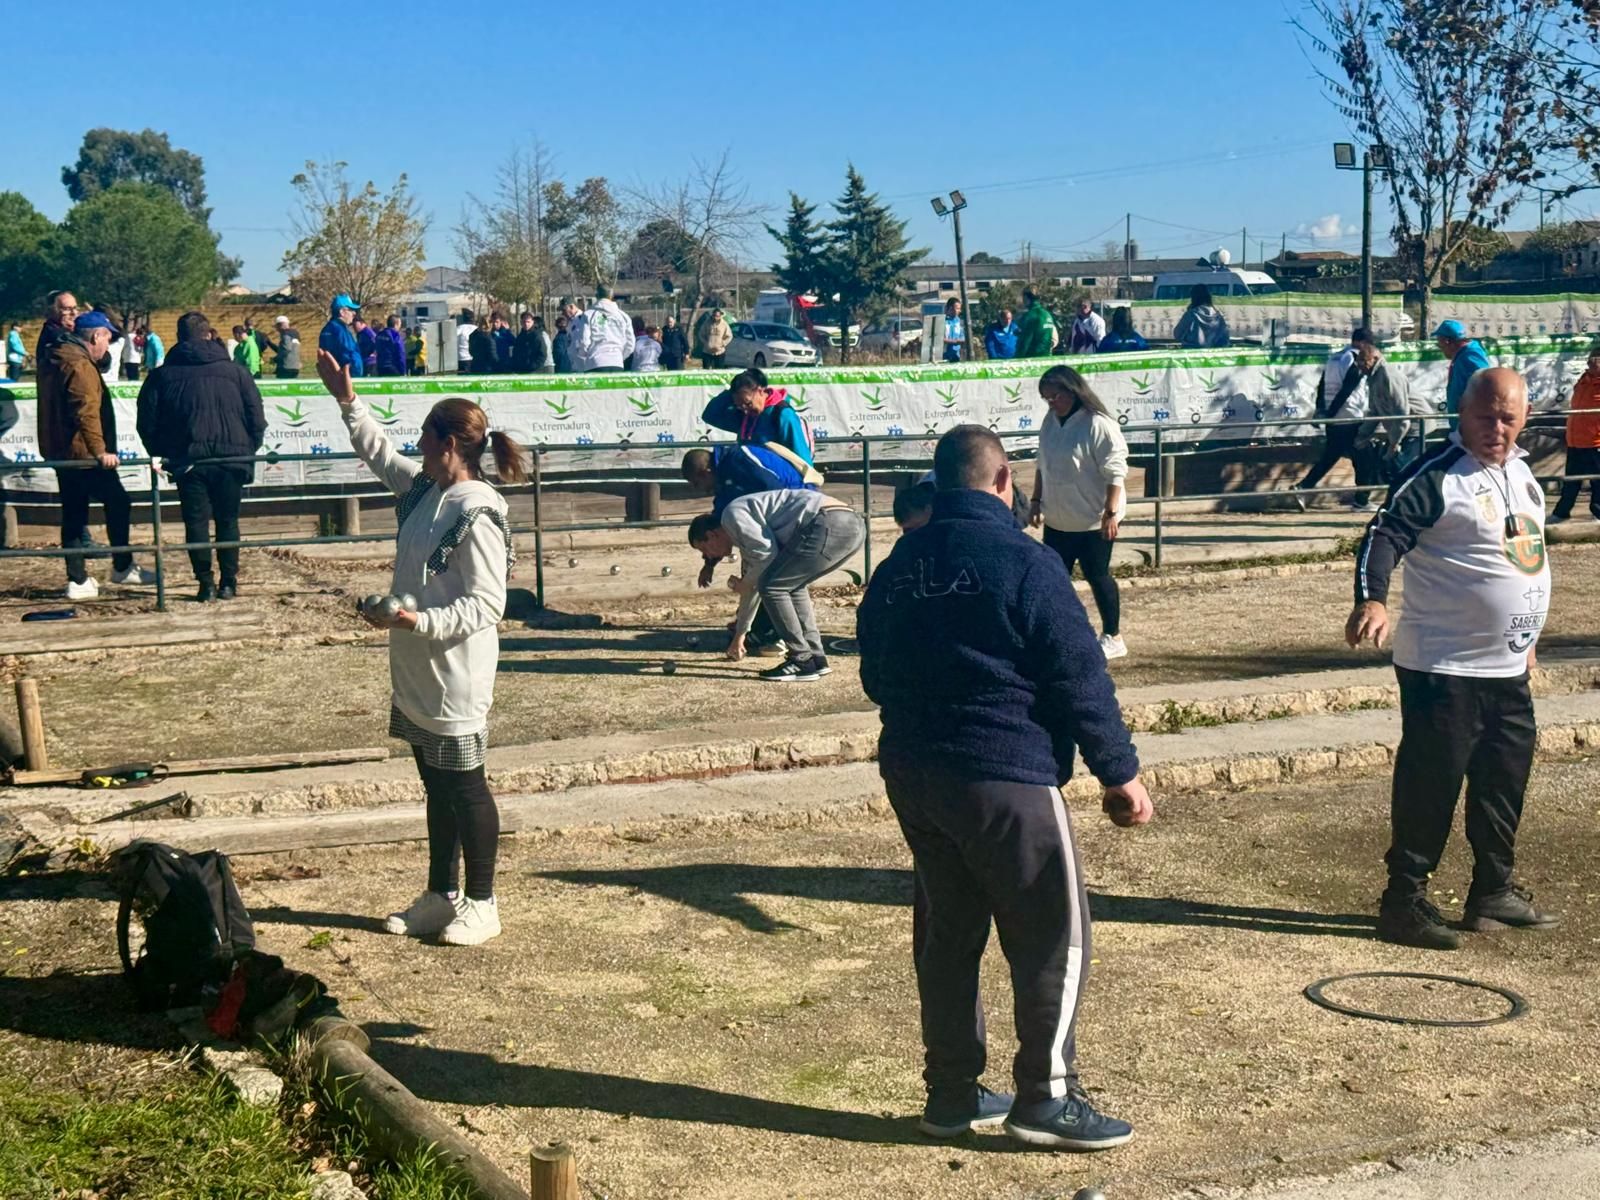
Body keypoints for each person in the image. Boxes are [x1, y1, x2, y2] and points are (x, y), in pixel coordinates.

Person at [856, 423, 1152, 1151]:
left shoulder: (898, 567)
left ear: (940, 484)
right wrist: (1120, 771)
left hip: (916, 775)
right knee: (1054, 932)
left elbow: (872, 673)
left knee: (949, 936)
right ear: (1004, 483)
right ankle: (1046, 1098)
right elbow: (1079, 675)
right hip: (1006, 772)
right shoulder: (1025, 561)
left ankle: (951, 1094)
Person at [314, 347, 526, 947]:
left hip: (454, 669)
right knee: (434, 784)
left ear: (447, 443)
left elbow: (488, 605)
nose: (417, 445)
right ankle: (442, 895)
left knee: (465, 786)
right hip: (413, 668)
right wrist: (346, 401)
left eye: (425, 436)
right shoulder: (425, 491)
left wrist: (415, 620)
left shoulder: (477, 510)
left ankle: (483, 903)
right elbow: (378, 452)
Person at [1348, 366, 1557, 949]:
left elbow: (1524, 554)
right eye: (1485, 416)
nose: (1496, 428)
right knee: (1430, 784)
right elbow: (1383, 535)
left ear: (1524, 418)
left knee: (1503, 780)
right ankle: (1403, 901)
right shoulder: (1438, 475)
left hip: (1506, 669)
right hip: (1444, 668)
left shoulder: (1522, 474)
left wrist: (1526, 629)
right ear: (1461, 413)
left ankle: (1493, 890)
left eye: (1507, 418)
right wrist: (1373, 597)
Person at [137, 312, 266, 602]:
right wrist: (247, 449)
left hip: (188, 459)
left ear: (179, 338)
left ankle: (205, 583)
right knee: (228, 521)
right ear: (208, 334)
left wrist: (164, 453)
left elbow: (146, 422)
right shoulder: (236, 373)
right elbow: (256, 417)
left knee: (195, 523)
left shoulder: (161, 376)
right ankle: (229, 582)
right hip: (231, 458)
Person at [38, 310, 156, 600]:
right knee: (117, 502)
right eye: (106, 338)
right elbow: (86, 411)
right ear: (95, 336)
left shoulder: (56, 358)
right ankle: (120, 565)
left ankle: (78, 579)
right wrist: (101, 451)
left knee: (74, 513)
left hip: (63, 450)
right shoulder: (79, 366)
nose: (108, 346)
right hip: (84, 454)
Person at [688, 489, 864, 683]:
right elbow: (753, 589)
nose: (709, 556)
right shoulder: (747, 539)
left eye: (704, 549)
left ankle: (801, 659)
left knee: (774, 588)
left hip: (827, 523)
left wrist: (745, 583)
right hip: (852, 524)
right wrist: (740, 635)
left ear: (712, 535)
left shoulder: (732, 515)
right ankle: (816, 658)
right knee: (792, 586)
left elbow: (764, 561)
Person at [1029, 365, 1129, 660]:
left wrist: (1110, 514)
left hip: (1093, 521)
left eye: (1055, 396)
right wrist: (1036, 500)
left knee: (1097, 576)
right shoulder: (1050, 422)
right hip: (1059, 519)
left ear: (1073, 392)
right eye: (1046, 398)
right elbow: (1041, 465)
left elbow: (1116, 471)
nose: (1051, 403)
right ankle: (1059, 634)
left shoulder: (1098, 424)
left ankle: (1113, 635)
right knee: (1053, 579)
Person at [1293, 328, 1381, 511]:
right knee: (1364, 459)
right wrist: (1331, 412)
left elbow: (1322, 385)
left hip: (1335, 419)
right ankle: (1362, 500)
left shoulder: (1334, 358)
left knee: (1331, 456)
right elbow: (1349, 386)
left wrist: (1322, 410)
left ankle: (1302, 488)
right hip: (1350, 416)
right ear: (1363, 343)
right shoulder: (1355, 357)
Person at [701, 368, 813, 465]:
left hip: (778, 482)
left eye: (748, 403)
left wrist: (808, 485)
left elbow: (802, 458)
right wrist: (732, 393)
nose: (745, 409)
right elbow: (710, 415)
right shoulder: (745, 417)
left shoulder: (782, 415)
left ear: (760, 391)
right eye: (739, 406)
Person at [1356, 339, 1428, 482]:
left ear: (1374, 358)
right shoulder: (1373, 378)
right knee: (1393, 471)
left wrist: (1394, 444)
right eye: (1359, 364)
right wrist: (1362, 434)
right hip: (1400, 430)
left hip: (1414, 429)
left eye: (1364, 362)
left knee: (1404, 473)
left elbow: (1402, 416)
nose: (1361, 367)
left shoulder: (1389, 376)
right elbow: (1374, 411)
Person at [1549, 345, 1600, 525]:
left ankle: (1598, 514)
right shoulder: (1584, 379)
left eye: (1598, 358)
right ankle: (1562, 513)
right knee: (1571, 480)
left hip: (1595, 442)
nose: (1593, 361)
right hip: (1576, 441)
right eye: (1592, 357)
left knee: (1598, 481)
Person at [1433, 319, 1493, 426]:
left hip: (1470, 425)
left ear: (1447, 342)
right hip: (1462, 423)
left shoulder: (1471, 355)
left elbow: (1485, 384)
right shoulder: (1463, 355)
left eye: (1440, 344)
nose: (1440, 349)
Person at [576, 287, 633, 372]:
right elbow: (630, 344)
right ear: (611, 296)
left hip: (595, 363)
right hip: (617, 363)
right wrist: (620, 357)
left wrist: (586, 356)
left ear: (596, 295)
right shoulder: (624, 316)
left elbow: (583, 341)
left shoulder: (588, 315)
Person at [319, 293, 364, 377]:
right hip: (347, 376)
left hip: (332, 376)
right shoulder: (341, 330)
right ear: (342, 312)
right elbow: (349, 353)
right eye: (350, 309)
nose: (354, 313)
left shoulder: (327, 329)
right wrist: (356, 372)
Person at [1015, 289, 1057, 359]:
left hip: (1032, 359)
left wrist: (1017, 357)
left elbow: (1025, 341)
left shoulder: (1029, 316)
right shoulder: (1047, 315)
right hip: (1047, 357)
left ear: (1026, 298)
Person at [272, 315, 302, 380]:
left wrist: (276, 359)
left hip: (285, 366)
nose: (277, 329)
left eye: (277, 327)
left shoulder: (285, 334)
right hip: (295, 366)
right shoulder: (296, 334)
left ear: (281, 325)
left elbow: (286, 349)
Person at [942, 298, 965, 363]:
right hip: (943, 356)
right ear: (950, 308)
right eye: (957, 308)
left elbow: (962, 337)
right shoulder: (943, 321)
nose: (959, 311)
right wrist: (955, 341)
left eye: (959, 309)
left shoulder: (959, 321)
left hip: (956, 356)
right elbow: (939, 339)